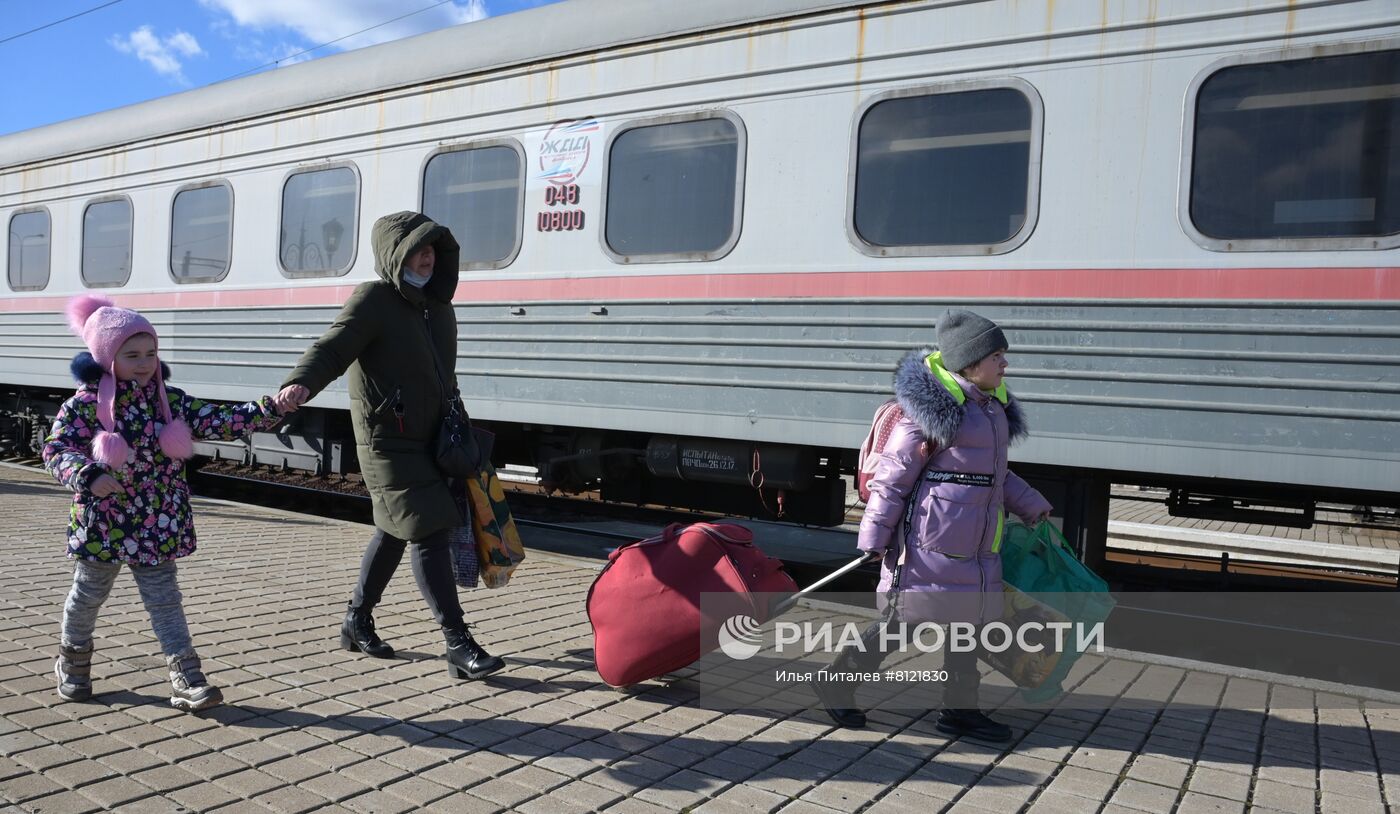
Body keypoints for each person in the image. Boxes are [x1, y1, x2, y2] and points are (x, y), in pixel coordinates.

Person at [275, 211, 504, 681]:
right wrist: (301, 383)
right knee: (428, 530)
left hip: (433, 438)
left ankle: (357, 622)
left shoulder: (437, 306)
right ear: (393, 252)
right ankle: (458, 643)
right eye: (418, 248)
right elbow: (333, 348)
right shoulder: (375, 299)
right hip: (386, 440)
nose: (427, 256)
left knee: (395, 530)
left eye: (433, 249)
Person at [815, 309, 1052, 742]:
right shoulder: (930, 413)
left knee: (969, 624)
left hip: (976, 546)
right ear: (970, 363)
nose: (1005, 364)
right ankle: (838, 678)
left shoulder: (992, 409)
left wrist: (1030, 504)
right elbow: (891, 479)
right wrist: (874, 537)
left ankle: (959, 712)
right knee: (906, 620)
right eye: (997, 355)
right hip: (930, 545)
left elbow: (996, 475)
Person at [44, 295, 287, 711]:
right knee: (87, 594)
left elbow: (219, 419)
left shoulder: (168, 399)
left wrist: (272, 407)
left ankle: (186, 675)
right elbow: (56, 449)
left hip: (156, 521)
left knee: (165, 600)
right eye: (132, 354)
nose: (144, 362)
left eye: (151, 353)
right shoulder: (84, 405)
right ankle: (73, 660)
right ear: (106, 357)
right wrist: (88, 474)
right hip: (103, 522)